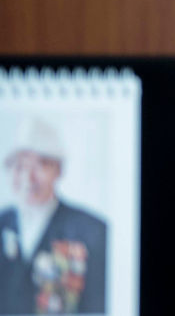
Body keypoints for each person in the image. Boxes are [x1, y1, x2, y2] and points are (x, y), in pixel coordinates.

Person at [0, 117, 107, 315]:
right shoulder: (2, 223)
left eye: (40, 165)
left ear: (58, 170)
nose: (28, 178)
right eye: (20, 166)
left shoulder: (93, 231)